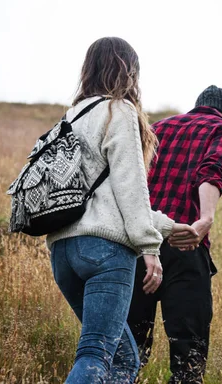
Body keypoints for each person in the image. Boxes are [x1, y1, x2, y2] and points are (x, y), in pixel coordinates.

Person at [45, 37, 197, 383]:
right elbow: (130, 189)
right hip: (104, 253)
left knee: (124, 358)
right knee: (97, 354)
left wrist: (169, 227)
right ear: (129, 71)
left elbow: (105, 201)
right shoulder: (119, 111)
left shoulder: (70, 118)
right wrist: (150, 248)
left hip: (63, 251)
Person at [127, 85, 222, 383]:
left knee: (127, 353)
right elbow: (212, 169)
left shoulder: (158, 129)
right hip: (185, 246)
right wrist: (205, 217)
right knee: (188, 360)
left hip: (139, 246)